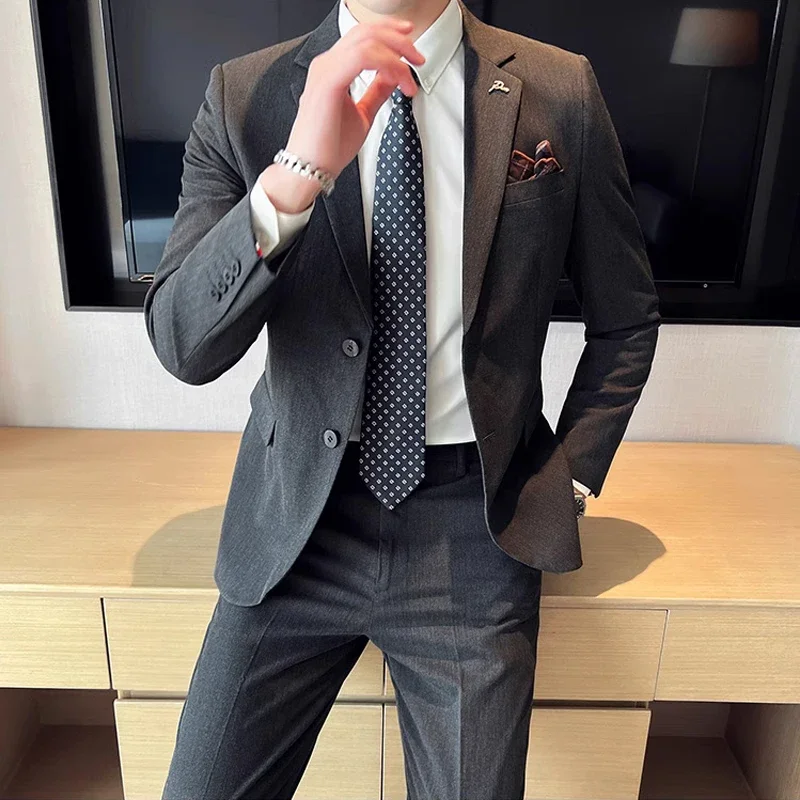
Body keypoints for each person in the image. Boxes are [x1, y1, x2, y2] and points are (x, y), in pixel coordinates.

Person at [145, 0, 661, 796]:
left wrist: (572, 482)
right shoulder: (244, 94)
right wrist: (295, 177)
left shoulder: (560, 89)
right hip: (295, 527)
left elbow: (625, 319)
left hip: (475, 532)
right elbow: (185, 344)